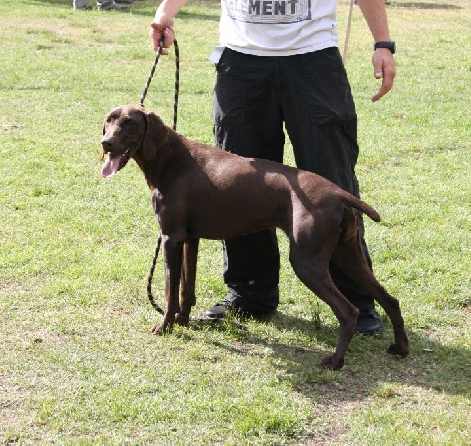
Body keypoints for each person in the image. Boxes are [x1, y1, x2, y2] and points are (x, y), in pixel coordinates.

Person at [149, 0, 396, 334]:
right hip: (242, 62)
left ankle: (357, 299)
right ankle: (250, 293)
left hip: (313, 59)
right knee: (237, 187)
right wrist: (165, 13)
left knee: (331, 184)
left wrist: (383, 43)